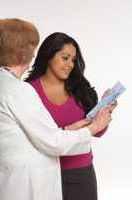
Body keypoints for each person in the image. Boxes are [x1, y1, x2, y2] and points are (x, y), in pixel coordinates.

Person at [0, 19, 114, 200]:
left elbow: (34, 134)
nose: (33, 52)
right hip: (19, 186)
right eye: (31, 47)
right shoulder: (19, 90)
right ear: (24, 52)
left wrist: (73, 128)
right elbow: (53, 142)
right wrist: (92, 127)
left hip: (7, 183)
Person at [26, 32, 117, 200]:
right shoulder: (27, 91)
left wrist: (104, 111)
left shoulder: (81, 88)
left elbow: (96, 132)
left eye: (73, 60)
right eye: (65, 57)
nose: (70, 64)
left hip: (81, 173)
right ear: (49, 55)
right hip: (43, 174)